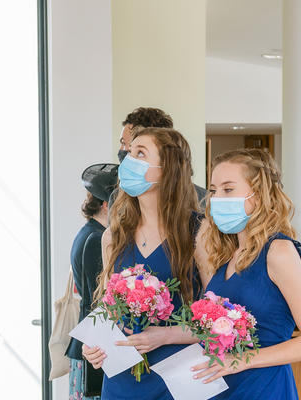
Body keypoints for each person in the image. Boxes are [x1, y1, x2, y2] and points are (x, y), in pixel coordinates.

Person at [191, 148, 301, 399]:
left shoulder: (279, 251)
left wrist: (243, 360)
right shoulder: (226, 254)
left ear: (258, 195)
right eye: (213, 190)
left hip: (262, 388)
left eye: (228, 189)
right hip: (222, 388)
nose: (217, 199)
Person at [83, 127, 204, 400]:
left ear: (168, 168)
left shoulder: (200, 233)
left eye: (140, 153)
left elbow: (218, 320)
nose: (127, 161)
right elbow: (108, 306)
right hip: (121, 378)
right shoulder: (113, 236)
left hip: (178, 378)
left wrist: (164, 335)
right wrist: (94, 343)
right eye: (128, 153)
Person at [65, 163, 118, 400]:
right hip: (91, 346)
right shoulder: (97, 238)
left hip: (88, 343)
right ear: (107, 204)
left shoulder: (89, 232)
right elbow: (97, 300)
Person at [110, 107, 207, 209]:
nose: (122, 150)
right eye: (130, 150)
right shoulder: (118, 199)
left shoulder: (203, 201)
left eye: (140, 152)